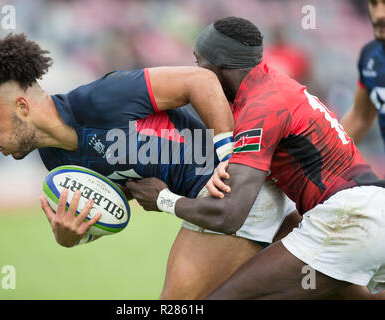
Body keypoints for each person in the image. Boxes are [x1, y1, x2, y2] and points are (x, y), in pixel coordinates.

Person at [0, 33, 295, 299]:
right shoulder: (55, 160)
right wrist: (73, 236)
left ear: (22, 106)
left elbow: (201, 81)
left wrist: (230, 159)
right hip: (227, 204)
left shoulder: (102, 98)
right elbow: (114, 203)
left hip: (237, 194)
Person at [127, 16, 385, 299]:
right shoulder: (273, 86)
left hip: (349, 218)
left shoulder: (262, 107)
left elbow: (230, 214)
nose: (196, 71)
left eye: (198, 61)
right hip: (369, 215)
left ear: (218, 64)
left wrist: (164, 200)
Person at [341, 0, 385, 150]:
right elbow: (361, 117)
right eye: (374, 4)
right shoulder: (371, 57)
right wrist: (316, 161)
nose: (379, 14)